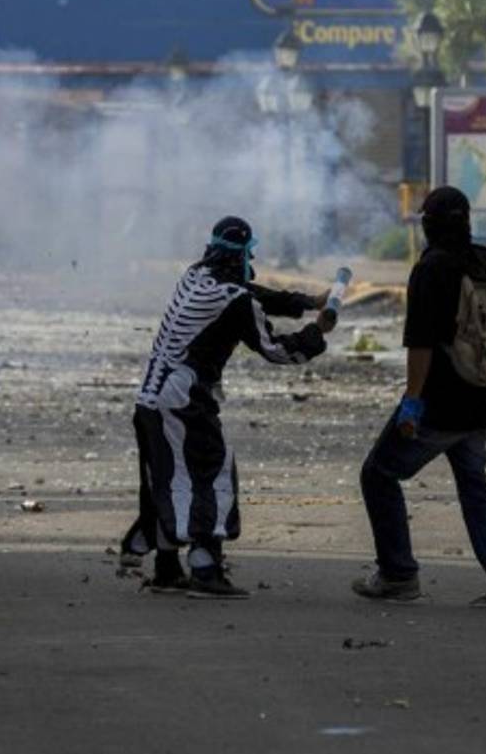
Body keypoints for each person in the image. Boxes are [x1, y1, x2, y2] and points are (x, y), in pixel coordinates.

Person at [119, 217, 336, 599]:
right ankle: (205, 568)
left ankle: (167, 569)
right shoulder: (236, 301)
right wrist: (318, 333)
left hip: (149, 399)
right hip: (184, 399)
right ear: (245, 254)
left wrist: (306, 302)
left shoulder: (194, 277)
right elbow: (275, 349)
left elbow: (251, 294)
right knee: (212, 474)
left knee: (166, 478)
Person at [352, 187, 486, 610]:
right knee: (476, 486)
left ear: (429, 225)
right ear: (467, 220)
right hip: (480, 398)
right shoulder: (484, 262)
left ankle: (398, 575)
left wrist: (412, 403)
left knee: (378, 475)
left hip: (440, 404)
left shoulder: (431, 268)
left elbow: (420, 343)